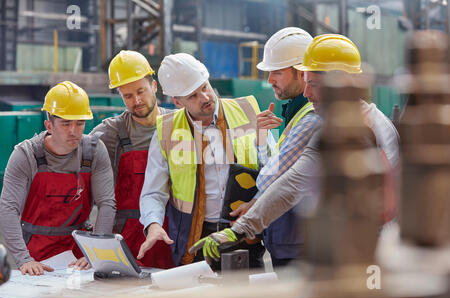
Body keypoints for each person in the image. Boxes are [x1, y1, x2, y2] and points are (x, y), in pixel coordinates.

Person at [189, 34, 400, 265]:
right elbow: (292, 181)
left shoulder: (368, 129)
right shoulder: (336, 127)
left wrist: (241, 228)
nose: (308, 94)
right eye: (307, 83)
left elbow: (291, 183)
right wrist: (241, 229)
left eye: (315, 85)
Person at [138, 53, 269, 269]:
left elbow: (272, 172)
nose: (205, 97)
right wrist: (153, 224)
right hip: (194, 239)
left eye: (205, 87)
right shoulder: (166, 130)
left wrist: (255, 203)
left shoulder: (249, 112)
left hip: (244, 231)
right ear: (177, 101)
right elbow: (153, 191)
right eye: (193, 96)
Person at [0, 81, 116, 276]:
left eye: (80, 123)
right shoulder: (26, 156)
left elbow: (107, 203)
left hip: (80, 253)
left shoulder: (94, 152)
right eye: (66, 123)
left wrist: (95, 253)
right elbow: (8, 209)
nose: (74, 130)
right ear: (49, 125)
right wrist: (24, 259)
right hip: (36, 256)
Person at [230, 27, 322, 268]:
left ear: (302, 74)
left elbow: (268, 178)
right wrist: (262, 137)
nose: (269, 80)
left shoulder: (310, 117)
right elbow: (276, 169)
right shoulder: (296, 111)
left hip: (298, 242)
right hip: (288, 238)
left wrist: (253, 206)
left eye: (277, 72)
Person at [90, 50, 174, 269]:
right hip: (127, 241)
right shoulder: (110, 133)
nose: (136, 101)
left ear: (154, 86)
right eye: (127, 96)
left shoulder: (177, 125)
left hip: (171, 234)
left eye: (141, 91)